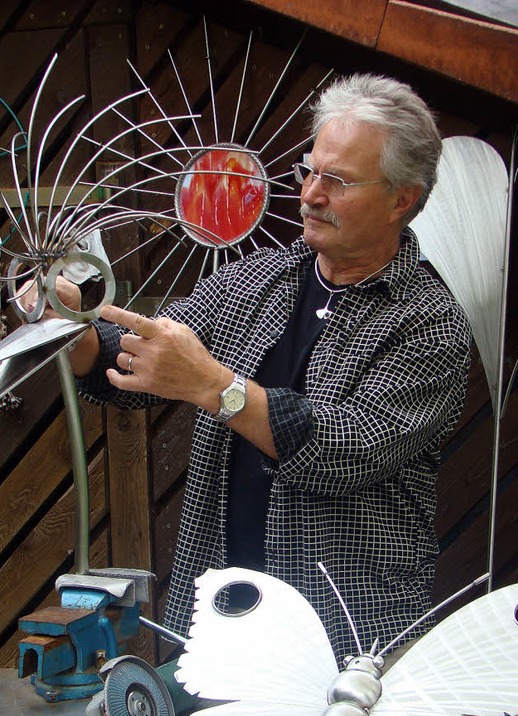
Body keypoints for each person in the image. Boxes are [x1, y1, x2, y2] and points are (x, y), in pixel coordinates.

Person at [51, 73, 472, 665]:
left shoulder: (430, 325)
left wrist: (213, 385)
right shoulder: (258, 280)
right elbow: (139, 355)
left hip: (345, 631)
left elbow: (343, 449)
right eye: (310, 170)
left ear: (403, 198)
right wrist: (73, 331)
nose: (310, 194)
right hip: (222, 608)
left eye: (338, 180)